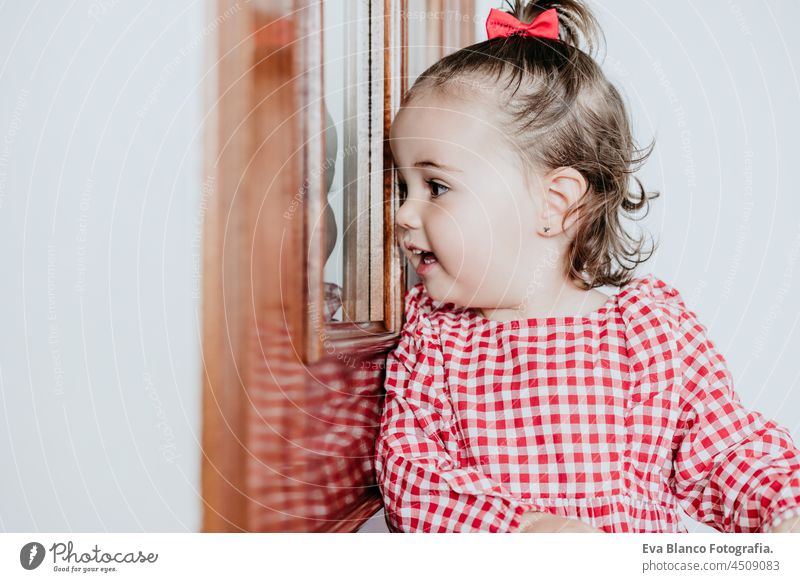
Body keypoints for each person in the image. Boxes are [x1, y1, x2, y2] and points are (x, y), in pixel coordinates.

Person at [373, 0, 800, 533]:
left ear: (555, 204)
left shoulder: (651, 332)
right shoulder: (434, 340)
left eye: (436, 186)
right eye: (401, 187)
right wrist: (523, 530)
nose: (404, 213)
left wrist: (785, 510)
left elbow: (729, 451)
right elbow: (412, 474)